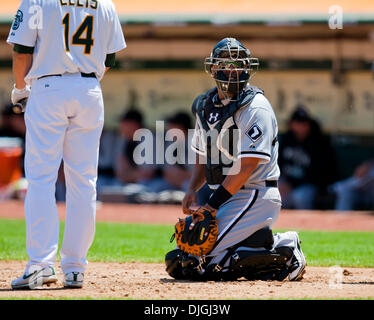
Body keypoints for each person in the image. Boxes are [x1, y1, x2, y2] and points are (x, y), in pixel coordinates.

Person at [165, 38, 306, 282]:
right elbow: (203, 154)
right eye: (224, 64)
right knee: (183, 261)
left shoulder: (255, 106)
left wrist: (210, 205)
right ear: (212, 69)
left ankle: (287, 249)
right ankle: (260, 245)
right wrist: (191, 190)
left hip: (255, 194)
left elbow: (246, 167)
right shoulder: (204, 106)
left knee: (207, 265)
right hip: (225, 196)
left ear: (247, 68)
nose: (231, 71)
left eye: (237, 65)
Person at [8, 0, 126, 289]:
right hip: (89, 89)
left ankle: (40, 264)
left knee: (40, 179)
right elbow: (109, 59)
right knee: (84, 181)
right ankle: (75, 268)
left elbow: (21, 52)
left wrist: (21, 90)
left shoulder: (37, 0)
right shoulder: (105, 4)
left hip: (48, 87)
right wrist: (83, 81)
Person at [278, 106, 338, 209]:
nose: (301, 126)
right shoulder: (287, 139)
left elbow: (318, 174)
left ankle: (304, 224)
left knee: (300, 197)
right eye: (298, 123)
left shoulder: (319, 143)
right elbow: (279, 164)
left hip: (309, 185)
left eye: (304, 123)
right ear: (292, 124)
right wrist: (283, 182)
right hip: (288, 181)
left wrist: (292, 184)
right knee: (273, 193)